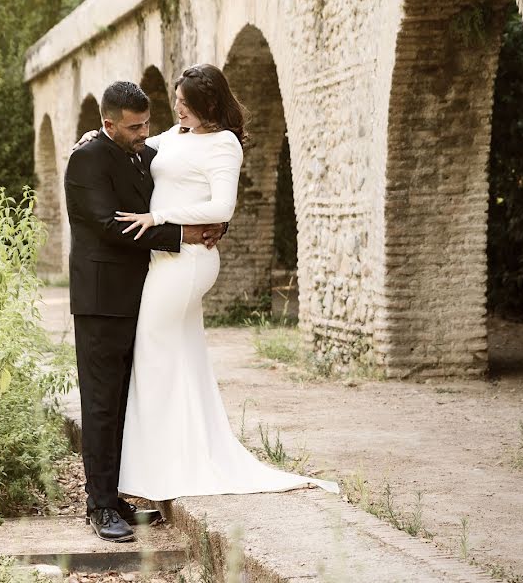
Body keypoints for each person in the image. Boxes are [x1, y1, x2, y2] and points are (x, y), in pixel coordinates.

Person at [92, 64, 339, 501]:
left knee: (151, 347)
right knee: (180, 355)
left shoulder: (223, 144)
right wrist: (93, 138)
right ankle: (177, 456)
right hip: (165, 257)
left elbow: (221, 206)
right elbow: (136, 141)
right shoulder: (177, 136)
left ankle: (159, 466)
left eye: (185, 106)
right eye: (176, 103)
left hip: (188, 259)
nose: (177, 110)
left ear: (208, 105)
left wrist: (160, 217)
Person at [63, 81, 228, 543]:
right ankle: (99, 507)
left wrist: (217, 220)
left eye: (147, 124)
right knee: (99, 404)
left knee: (123, 400)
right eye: (134, 127)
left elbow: (188, 182)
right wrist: (184, 236)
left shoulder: (141, 151)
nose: (144, 133)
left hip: (139, 294)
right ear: (107, 123)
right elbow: (111, 226)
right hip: (100, 301)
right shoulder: (87, 158)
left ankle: (115, 497)